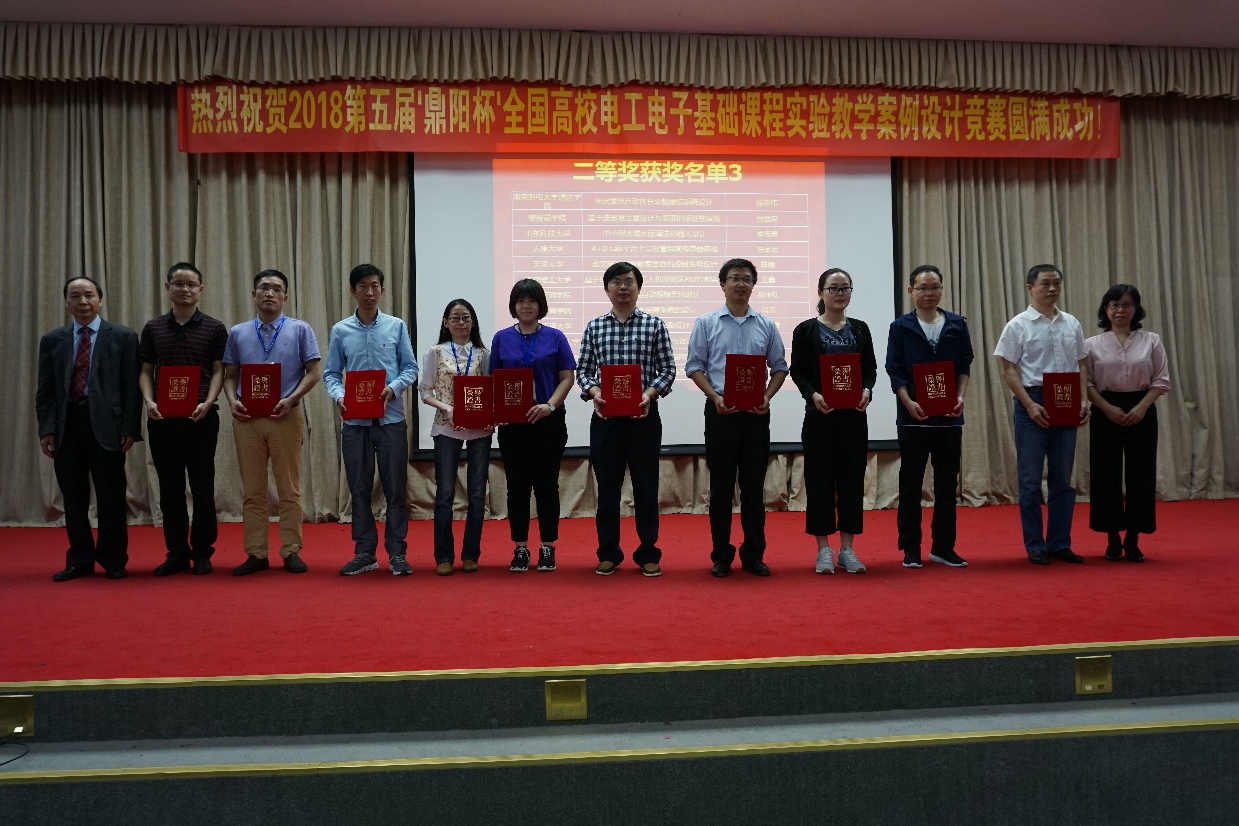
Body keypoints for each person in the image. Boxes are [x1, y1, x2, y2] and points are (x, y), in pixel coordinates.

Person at [685, 258, 787, 578]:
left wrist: (766, 397)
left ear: (753, 285)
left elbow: (780, 367)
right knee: (721, 488)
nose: (740, 284)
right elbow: (694, 367)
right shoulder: (706, 323)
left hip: (756, 415)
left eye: (746, 279)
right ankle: (721, 556)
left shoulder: (766, 325)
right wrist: (714, 397)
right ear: (723, 284)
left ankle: (753, 554)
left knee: (754, 488)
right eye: (734, 278)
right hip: (721, 413)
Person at [36, 277, 142, 581]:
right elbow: (46, 391)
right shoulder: (53, 340)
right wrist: (46, 429)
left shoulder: (123, 337)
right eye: (75, 296)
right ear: (66, 302)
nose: (82, 301)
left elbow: (131, 388)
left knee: (111, 497)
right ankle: (79, 560)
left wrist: (129, 427)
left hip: (108, 427)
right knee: (73, 498)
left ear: (100, 300)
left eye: (89, 295)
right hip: (66, 425)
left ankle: (113, 559)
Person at [576, 261, 677, 577]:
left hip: (644, 418)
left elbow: (668, 369)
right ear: (607, 289)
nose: (623, 287)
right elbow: (583, 371)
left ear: (638, 287)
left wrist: (649, 393)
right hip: (606, 420)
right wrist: (595, 393)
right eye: (616, 282)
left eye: (629, 281)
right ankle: (608, 553)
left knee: (646, 488)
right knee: (607, 490)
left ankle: (648, 552)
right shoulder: (595, 327)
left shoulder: (654, 325)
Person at [222, 269, 322, 575]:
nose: (270, 293)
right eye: (264, 288)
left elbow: (314, 372)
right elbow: (230, 375)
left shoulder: (300, 329)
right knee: (253, 490)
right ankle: (256, 553)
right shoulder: (238, 332)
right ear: (254, 294)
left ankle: (291, 550)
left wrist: (291, 399)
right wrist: (232, 401)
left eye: (277, 289)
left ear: (285, 297)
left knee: (289, 488)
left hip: (285, 416)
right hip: (248, 419)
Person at [324, 264, 418, 577]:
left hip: (391, 421)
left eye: (375, 285)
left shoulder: (396, 326)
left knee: (395, 489)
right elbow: (331, 373)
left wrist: (394, 388)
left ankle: (397, 553)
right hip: (355, 424)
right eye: (363, 286)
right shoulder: (341, 330)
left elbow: (410, 368)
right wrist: (340, 396)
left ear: (383, 290)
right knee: (359, 488)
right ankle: (365, 552)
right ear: (353, 291)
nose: (369, 292)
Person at [993, 264, 1090, 566]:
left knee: (1063, 478)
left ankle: (1059, 543)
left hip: (1066, 399)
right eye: (1045, 283)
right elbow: (1007, 369)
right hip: (1032, 400)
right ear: (1030, 288)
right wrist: (1029, 404)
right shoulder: (1018, 325)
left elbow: (1082, 364)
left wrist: (1084, 399)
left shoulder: (1071, 323)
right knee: (1030, 479)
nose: (1052, 289)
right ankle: (1035, 544)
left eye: (1056, 283)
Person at [137, 262, 228, 576]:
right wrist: (148, 401)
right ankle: (176, 553)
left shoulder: (214, 328)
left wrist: (209, 402)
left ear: (200, 289)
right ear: (168, 287)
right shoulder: (153, 328)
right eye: (178, 283)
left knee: (202, 488)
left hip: (201, 418)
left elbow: (219, 370)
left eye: (191, 284)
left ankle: (202, 552)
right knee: (170, 489)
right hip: (162, 418)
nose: (185, 289)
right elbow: (146, 370)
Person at [885, 265, 974, 569]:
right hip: (913, 418)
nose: (929, 293)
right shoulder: (901, 327)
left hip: (949, 418)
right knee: (911, 485)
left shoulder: (956, 324)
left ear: (941, 289)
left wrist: (960, 397)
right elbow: (895, 370)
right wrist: (908, 402)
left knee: (947, 485)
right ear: (911, 291)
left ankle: (943, 547)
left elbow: (964, 365)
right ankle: (911, 548)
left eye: (935, 287)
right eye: (923, 288)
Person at [789, 268, 877, 575]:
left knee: (852, 481)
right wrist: (813, 395)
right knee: (819, 481)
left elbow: (870, 370)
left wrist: (867, 391)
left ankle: (847, 549)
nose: (840, 294)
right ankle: (823, 549)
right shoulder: (805, 330)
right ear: (820, 292)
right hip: (820, 417)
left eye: (845, 288)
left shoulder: (861, 329)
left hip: (853, 417)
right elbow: (797, 370)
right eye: (833, 288)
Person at [490, 279, 576, 573]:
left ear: (541, 305)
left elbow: (567, 377)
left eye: (532, 301)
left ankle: (548, 546)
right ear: (513, 305)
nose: (526, 306)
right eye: (520, 301)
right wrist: (498, 411)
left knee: (546, 485)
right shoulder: (501, 338)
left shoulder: (555, 337)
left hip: (548, 421)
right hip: (514, 425)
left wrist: (549, 405)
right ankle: (520, 548)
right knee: (517, 487)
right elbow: (494, 379)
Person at [1084, 284, 1171, 562]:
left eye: (1127, 304)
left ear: (1136, 309)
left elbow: (1161, 379)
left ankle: (1133, 539)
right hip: (1104, 408)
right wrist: (1107, 408)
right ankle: (1112, 539)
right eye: (1114, 305)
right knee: (1105, 474)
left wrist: (1142, 407)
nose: (1120, 310)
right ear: (1106, 310)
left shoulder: (1151, 341)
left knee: (1141, 473)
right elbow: (1086, 383)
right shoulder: (1091, 344)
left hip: (1142, 408)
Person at [419, 298, 492, 576]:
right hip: (446, 427)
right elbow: (425, 392)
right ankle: (444, 556)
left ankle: (471, 554)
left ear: (473, 323)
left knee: (477, 494)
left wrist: (491, 414)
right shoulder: (435, 352)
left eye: (466, 318)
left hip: (479, 429)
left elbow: (489, 391)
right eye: (455, 318)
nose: (461, 323)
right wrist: (447, 408)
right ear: (445, 322)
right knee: (445, 494)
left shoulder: (483, 354)